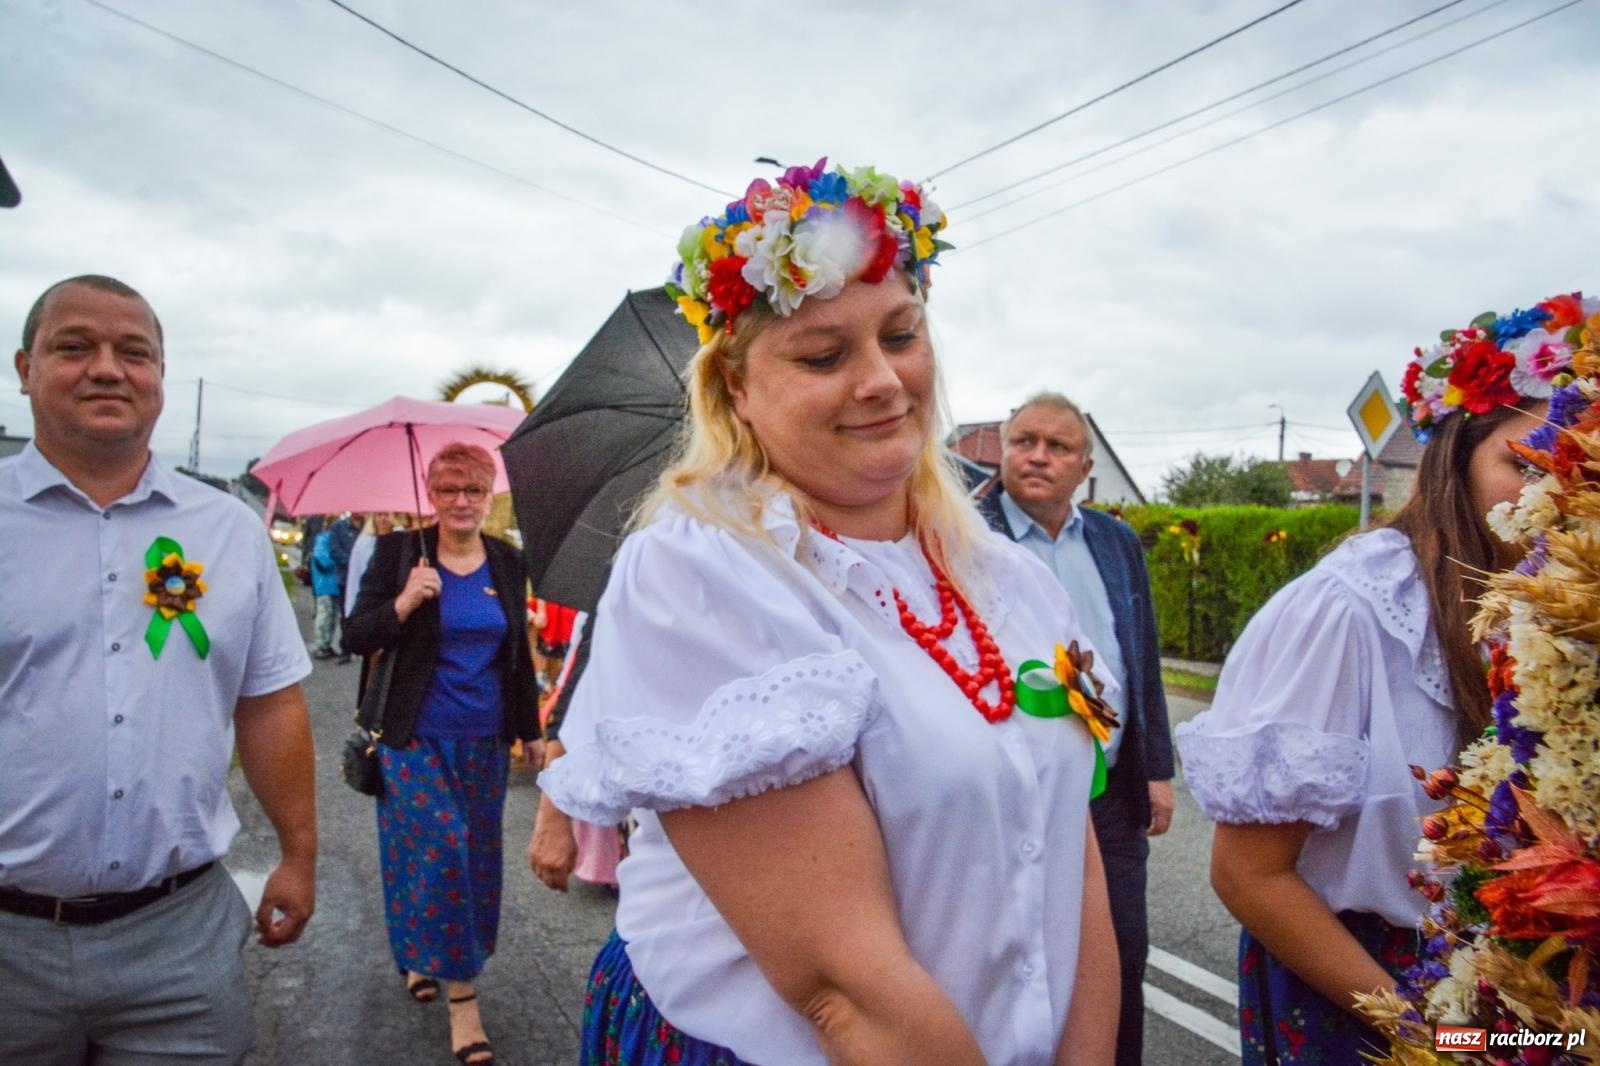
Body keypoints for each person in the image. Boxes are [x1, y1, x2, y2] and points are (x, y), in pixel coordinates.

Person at [539, 158, 1120, 1065]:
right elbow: (842, 991)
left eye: (902, 334)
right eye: (823, 355)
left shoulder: (1011, 579)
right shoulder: (703, 572)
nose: (883, 379)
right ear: (735, 388)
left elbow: (1069, 860)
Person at [1175, 291, 1584, 1062]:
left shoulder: (1564, 607)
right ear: (1457, 456)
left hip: (1532, 995)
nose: (1556, 493)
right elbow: (1250, 875)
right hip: (1374, 995)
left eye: (1583, 468)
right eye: (1525, 463)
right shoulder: (1352, 610)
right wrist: (1434, 1038)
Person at [0, 274, 317, 1064]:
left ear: (161, 377)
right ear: (25, 369)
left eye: (134, 353)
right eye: (75, 347)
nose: (107, 368)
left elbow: (269, 702)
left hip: (177, 938)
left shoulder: (228, 531)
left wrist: (299, 855)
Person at [977, 391, 1174, 1066]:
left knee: (1119, 959)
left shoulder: (1116, 542)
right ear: (1002, 452)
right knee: (1015, 965)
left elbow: (1141, 656)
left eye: (1057, 447)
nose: (1037, 457)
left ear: (1085, 468)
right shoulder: (962, 534)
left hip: (1108, 795)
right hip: (1010, 796)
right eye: (1023, 442)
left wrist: (1156, 770)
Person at [345, 442, 539, 1066]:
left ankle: (417, 953)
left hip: (485, 742)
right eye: (449, 490)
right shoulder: (399, 553)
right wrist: (404, 602)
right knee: (443, 847)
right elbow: (356, 635)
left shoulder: (507, 560)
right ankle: (464, 1000)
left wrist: (531, 729)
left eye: (473, 490)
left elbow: (516, 656)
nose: (461, 502)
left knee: (470, 859)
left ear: (489, 496)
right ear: (430, 494)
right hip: (413, 739)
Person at [344, 511, 399, 619]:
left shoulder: (401, 540)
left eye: (386, 514)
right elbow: (354, 575)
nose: (383, 518)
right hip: (368, 597)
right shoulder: (363, 543)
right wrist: (350, 609)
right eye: (379, 514)